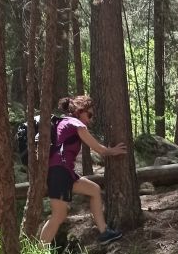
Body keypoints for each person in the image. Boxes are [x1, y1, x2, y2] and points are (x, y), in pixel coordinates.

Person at [39, 95, 128, 246]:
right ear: (80, 111)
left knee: (94, 190)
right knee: (59, 215)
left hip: (64, 172)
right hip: (59, 172)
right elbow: (98, 148)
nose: (90, 120)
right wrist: (113, 150)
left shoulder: (63, 122)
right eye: (89, 115)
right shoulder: (75, 123)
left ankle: (104, 232)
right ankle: (38, 252)